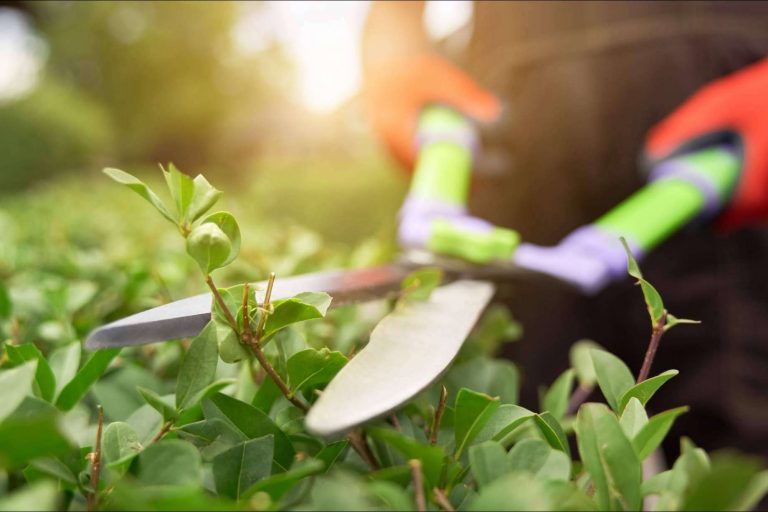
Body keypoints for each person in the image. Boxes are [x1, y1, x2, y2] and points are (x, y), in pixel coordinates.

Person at [362, 1, 768, 461]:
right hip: (518, 119)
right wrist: (394, 53)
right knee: (517, 451)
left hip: (726, 90)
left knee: (743, 469)